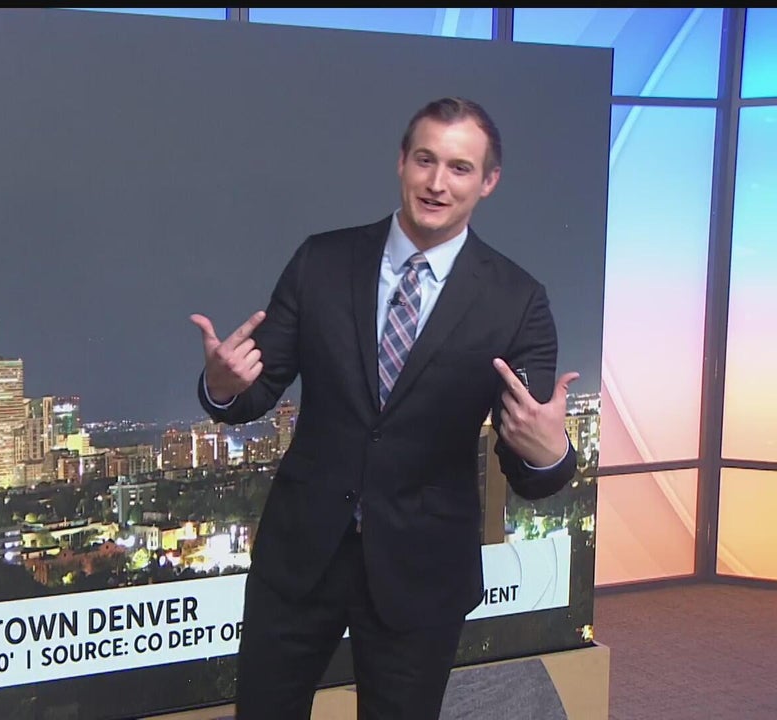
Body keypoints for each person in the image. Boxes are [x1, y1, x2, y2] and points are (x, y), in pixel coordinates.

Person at [190, 96, 579, 720]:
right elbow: (252, 394)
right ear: (401, 162)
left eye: (459, 167)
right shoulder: (321, 260)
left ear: (488, 182)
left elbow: (527, 460)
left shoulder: (518, 301)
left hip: (422, 568)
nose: (436, 182)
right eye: (425, 160)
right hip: (301, 554)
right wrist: (222, 384)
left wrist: (549, 452)